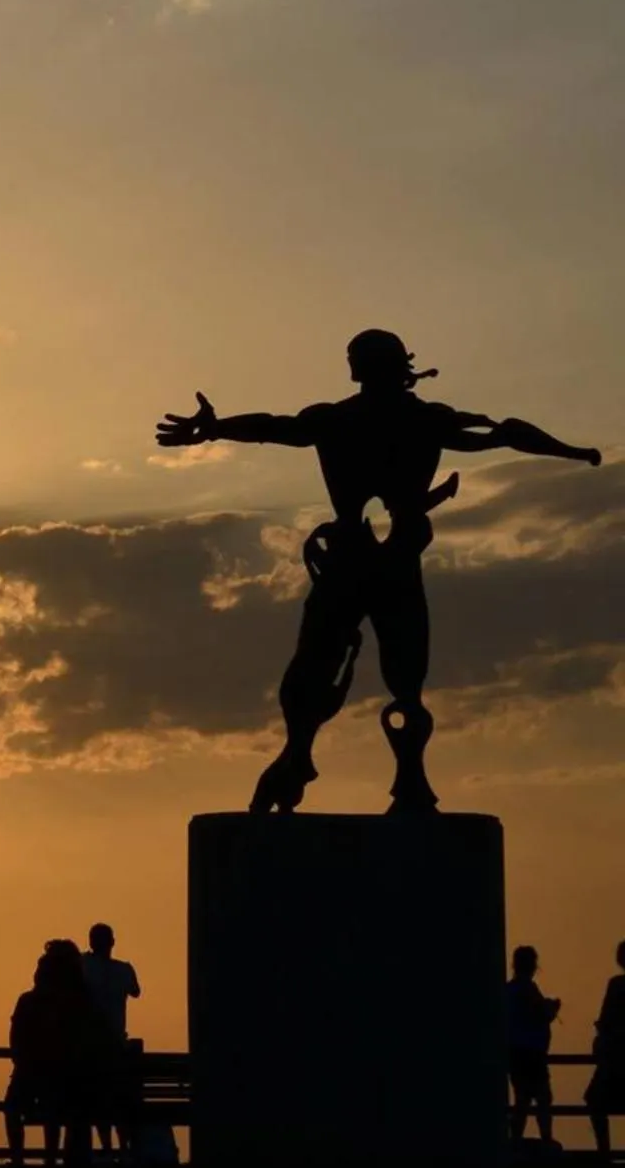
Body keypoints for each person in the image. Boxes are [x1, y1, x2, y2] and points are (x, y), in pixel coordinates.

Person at [155, 330, 601, 814]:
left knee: (366, 672)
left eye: (355, 358)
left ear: (366, 366)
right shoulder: (409, 420)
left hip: (366, 562)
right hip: (378, 561)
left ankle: (378, 772)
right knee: (369, 673)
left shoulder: (352, 420)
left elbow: (276, 427)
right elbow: (504, 435)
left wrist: (571, 452)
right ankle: (315, 760)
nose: (351, 365)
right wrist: (216, 428)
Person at [4, 940, 102, 1166]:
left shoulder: (32, 1000)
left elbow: (16, 1035)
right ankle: (47, 1159)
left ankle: (20, 1158)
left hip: (44, 1072)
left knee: (17, 1109)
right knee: (51, 1112)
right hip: (61, 1073)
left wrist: (22, 1060)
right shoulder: (80, 1001)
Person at [81, 923, 142, 1152]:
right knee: (120, 1102)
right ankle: (124, 1147)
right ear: (113, 942)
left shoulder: (83, 965)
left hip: (93, 1047)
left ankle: (107, 1148)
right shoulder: (124, 970)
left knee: (100, 1102)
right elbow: (135, 991)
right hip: (116, 1045)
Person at [505, 945, 561, 1147]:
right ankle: (545, 1138)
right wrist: (553, 1008)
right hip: (531, 1054)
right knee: (542, 1098)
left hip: (515, 1054)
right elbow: (542, 1015)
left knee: (522, 1099)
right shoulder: (528, 989)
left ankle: (516, 1139)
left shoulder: (508, 990)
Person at [588, 939, 625, 1158]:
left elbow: (606, 1019)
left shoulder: (617, 985)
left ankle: (604, 1151)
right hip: (616, 1054)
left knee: (595, 1100)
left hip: (616, 1056)